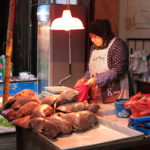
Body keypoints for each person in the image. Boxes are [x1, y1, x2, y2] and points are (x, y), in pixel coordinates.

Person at [75, 19, 134, 103]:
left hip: (117, 94)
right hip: (99, 94)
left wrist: (97, 80)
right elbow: (90, 69)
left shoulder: (118, 45)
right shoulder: (93, 47)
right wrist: (85, 78)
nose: (92, 40)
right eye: (90, 37)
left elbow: (118, 70)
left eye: (95, 36)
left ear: (103, 34)